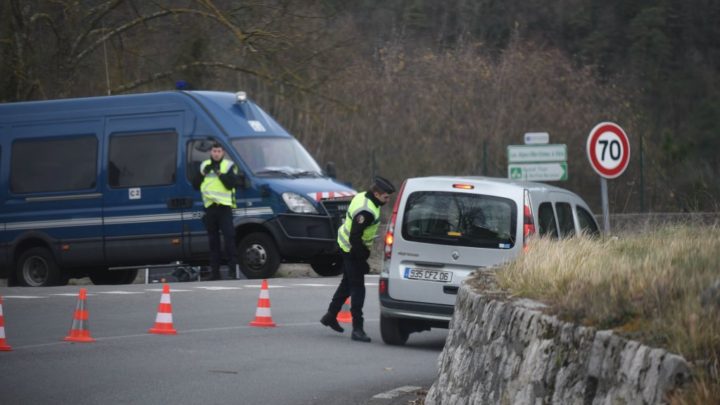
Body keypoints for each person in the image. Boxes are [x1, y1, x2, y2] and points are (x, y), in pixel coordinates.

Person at [320, 176, 395, 342]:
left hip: (347, 245)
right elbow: (355, 236)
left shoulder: (363, 196)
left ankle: (330, 315)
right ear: (376, 194)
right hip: (351, 249)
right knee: (358, 288)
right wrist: (361, 261)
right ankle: (357, 329)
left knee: (347, 283)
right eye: (385, 197)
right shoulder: (366, 211)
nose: (388, 200)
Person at [193, 143, 241, 281]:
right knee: (213, 242)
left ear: (223, 152)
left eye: (219, 151)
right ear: (210, 152)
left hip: (224, 207)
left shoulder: (229, 166)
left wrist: (219, 173)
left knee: (229, 239)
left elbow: (231, 184)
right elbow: (195, 184)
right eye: (214, 151)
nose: (216, 154)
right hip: (210, 207)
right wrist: (203, 173)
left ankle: (233, 271)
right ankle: (215, 273)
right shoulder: (204, 165)